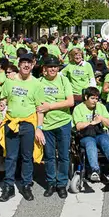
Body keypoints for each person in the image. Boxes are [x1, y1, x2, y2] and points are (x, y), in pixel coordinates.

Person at [0, 54, 45, 202]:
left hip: (28, 124)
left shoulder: (37, 84)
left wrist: (39, 128)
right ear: (19, 65)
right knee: (10, 156)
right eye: (23, 62)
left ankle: (26, 185)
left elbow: (40, 108)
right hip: (12, 122)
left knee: (27, 156)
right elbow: (3, 98)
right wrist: (2, 104)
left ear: (33, 65)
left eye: (29, 63)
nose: (26, 65)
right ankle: (9, 186)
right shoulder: (9, 81)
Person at [37, 55, 74, 198]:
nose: (53, 69)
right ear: (44, 69)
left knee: (64, 156)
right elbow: (39, 107)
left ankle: (62, 184)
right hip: (47, 125)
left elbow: (70, 101)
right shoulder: (39, 82)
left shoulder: (64, 80)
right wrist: (39, 127)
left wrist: (50, 106)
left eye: (55, 66)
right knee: (49, 156)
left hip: (63, 122)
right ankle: (51, 183)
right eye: (49, 66)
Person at [72, 86, 109, 183]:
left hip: (100, 133)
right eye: (92, 98)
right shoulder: (78, 108)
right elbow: (78, 126)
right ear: (86, 97)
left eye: (96, 98)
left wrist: (101, 119)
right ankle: (95, 170)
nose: (95, 101)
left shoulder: (101, 107)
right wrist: (92, 122)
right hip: (86, 135)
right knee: (90, 143)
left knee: (106, 142)